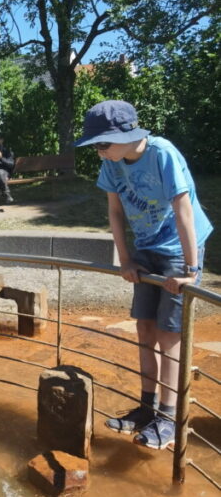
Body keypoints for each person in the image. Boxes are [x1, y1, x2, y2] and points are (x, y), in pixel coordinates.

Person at [75, 100, 213, 450]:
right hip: (145, 250)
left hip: (179, 252)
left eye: (103, 144)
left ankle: (167, 419)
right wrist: (126, 260)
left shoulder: (162, 153)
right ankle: (146, 407)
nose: (99, 152)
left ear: (126, 135)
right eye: (95, 146)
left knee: (170, 336)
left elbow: (183, 210)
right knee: (145, 330)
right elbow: (115, 213)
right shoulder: (112, 164)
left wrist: (190, 271)